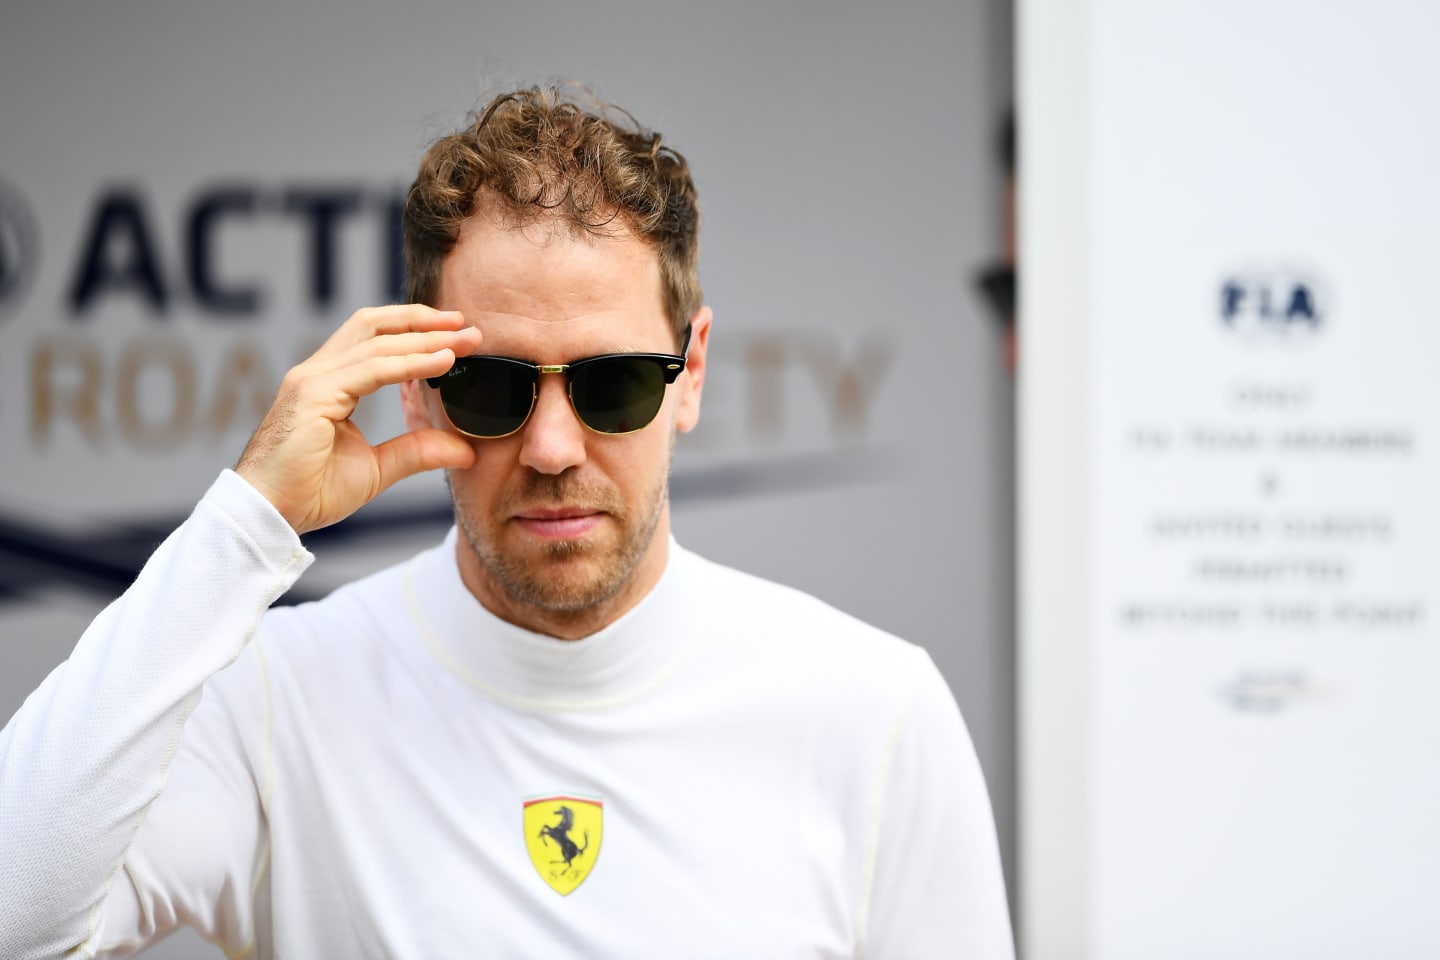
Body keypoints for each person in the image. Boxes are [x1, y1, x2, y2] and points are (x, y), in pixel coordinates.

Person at [0, 86, 1014, 958]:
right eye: (492, 389)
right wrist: (244, 524)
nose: (554, 448)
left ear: (691, 371)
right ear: (416, 389)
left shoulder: (874, 710)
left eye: (615, 385)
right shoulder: (278, 696)